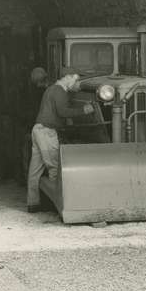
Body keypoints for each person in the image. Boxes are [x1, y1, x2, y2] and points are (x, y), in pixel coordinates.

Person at [26, 66, 94, 213]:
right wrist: (84, 110)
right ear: (68, 77)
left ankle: (33, 203)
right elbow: (63, 112)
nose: (77, 83)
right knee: (55, 169)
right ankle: (58, 206)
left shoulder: (51, 89)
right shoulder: (60, 91)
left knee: (35, 170)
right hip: (47, 133)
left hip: (38, 130)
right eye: (76, 79)